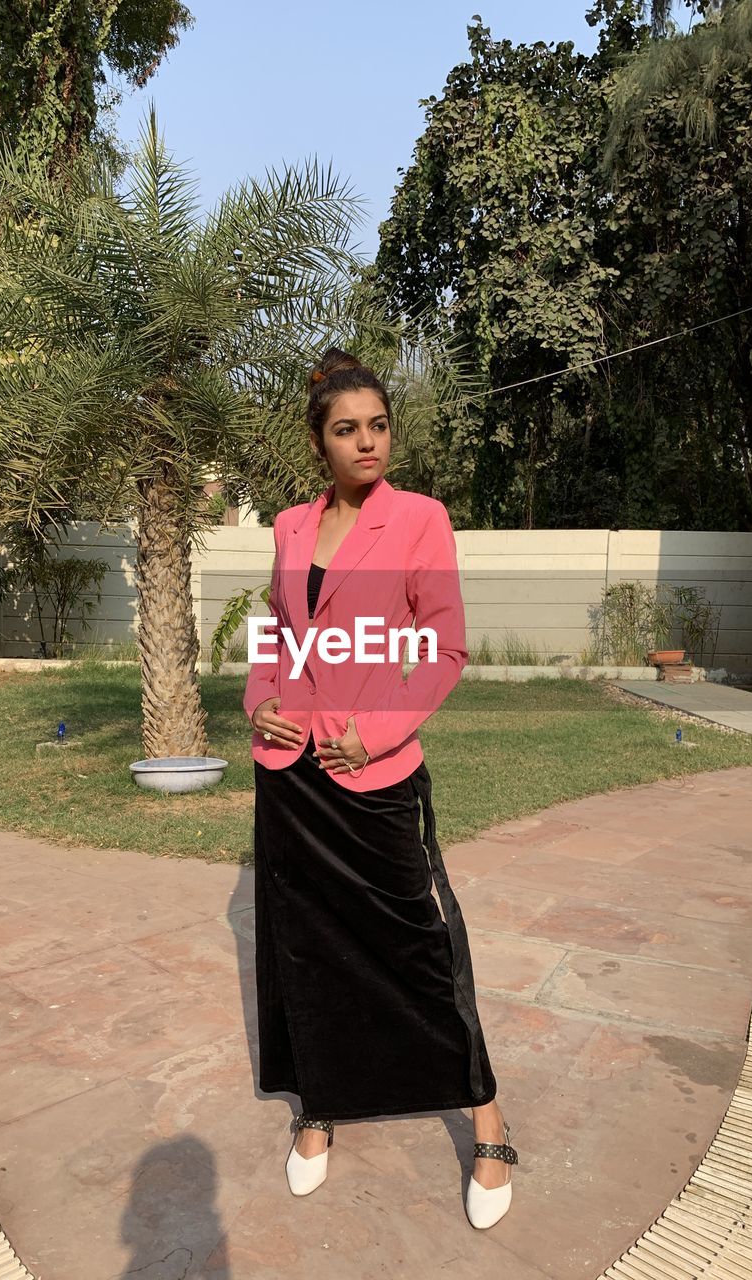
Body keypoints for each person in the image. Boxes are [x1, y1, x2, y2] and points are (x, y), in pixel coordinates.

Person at [243, 347, 518, 1229]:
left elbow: (444, 647)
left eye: (379, 426)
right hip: (291, 780)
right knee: (306, 947)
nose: (369, 443)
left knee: (420, 943)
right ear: (318, 441)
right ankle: (321, 1104)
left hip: (375, 771)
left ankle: (486, 1117)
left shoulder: (420, 520)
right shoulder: (289, 527)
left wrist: (380, 730)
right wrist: (262, 702)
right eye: (347, 430)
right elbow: (277, 635)